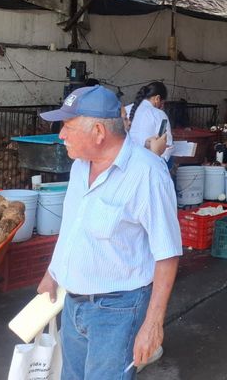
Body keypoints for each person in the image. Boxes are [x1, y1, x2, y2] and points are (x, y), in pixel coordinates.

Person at [37, 85, 182, 379]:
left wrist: (152, 324)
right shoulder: (79, 167)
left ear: (98, 132)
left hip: (117, 311)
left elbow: (167, 254)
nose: (61, 135)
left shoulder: (147, 174)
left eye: (67, 127)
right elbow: (73, 225)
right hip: (73, 303)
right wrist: (53, 272)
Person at [129, 82, 173, 162]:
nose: (162, 107)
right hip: (148, 162)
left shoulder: (126, 109)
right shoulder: (158, 114)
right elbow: (167, 147)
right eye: (162, 103)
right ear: (157, 98)